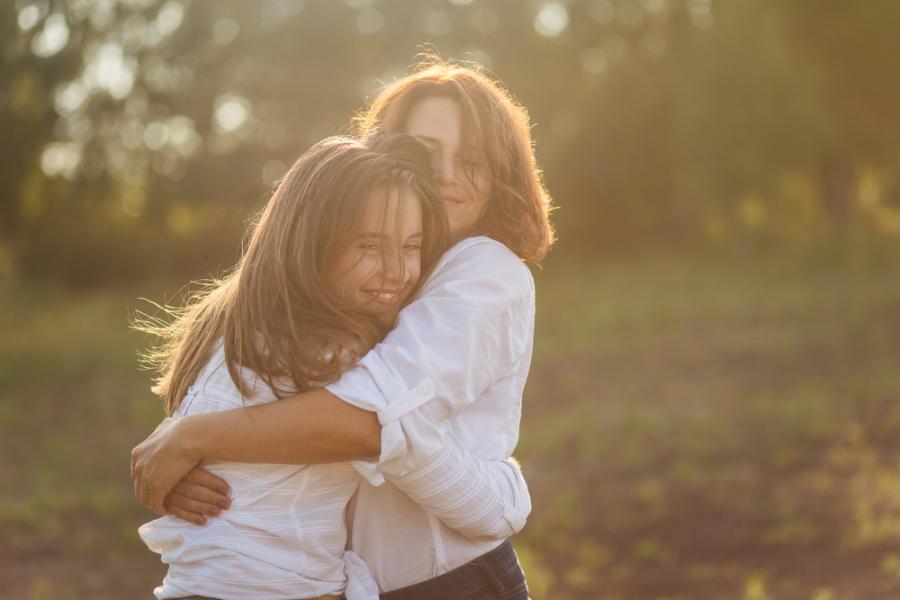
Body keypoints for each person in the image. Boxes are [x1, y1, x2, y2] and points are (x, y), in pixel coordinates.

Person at [132, 56, 555, 599]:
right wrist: (195, 461)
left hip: (449, 581)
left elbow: (370, 421)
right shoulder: (350, 291)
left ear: (500, 177)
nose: (446, 173)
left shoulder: (482, 269)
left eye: (472, 160)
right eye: (427, 152)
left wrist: (191, 440)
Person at [136, 133, 449, 600]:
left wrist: (184, 446)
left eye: (410, 247)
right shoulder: (331, 345)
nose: (396, 271)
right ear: (312, 243)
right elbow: (367, 428)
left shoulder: (230, 320)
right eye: (368, 246)